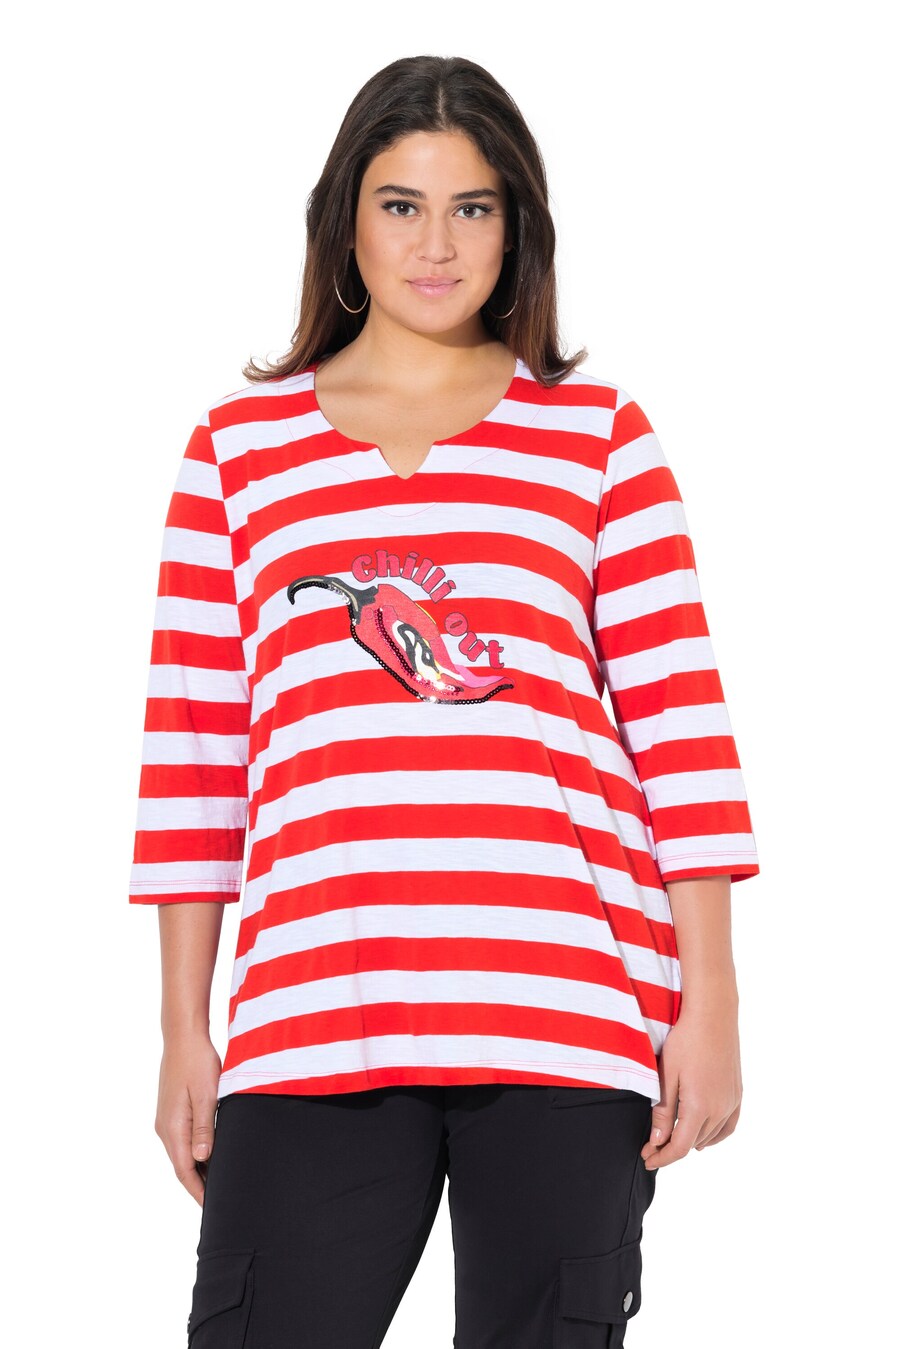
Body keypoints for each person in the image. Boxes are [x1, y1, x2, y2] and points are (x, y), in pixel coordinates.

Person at [129, 53, 760, 1349]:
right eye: (402, 205)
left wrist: (715, 1004)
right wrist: (183, 1031)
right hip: (314, 1008)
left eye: (473, 207)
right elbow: (196, 753)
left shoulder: (597, 436)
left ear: (515, 226)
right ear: (346, 222)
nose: (437, 244)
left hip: (567, 1005)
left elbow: (680, 730)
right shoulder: (237, 453)